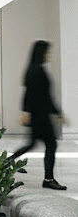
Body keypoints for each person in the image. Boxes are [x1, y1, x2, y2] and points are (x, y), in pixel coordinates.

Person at [10, 40, 68, 190]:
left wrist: (26, 111)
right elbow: (42, 97)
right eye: (48, 52)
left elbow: (29, 94)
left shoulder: (33, 69)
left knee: (32, 144)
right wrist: (57, 113)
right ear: (41, 53)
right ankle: (48, 179)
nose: (50, 55)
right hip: (40, 116)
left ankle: (5, 163)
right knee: (50, 144)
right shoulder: (38, 71)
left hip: (38, 115)